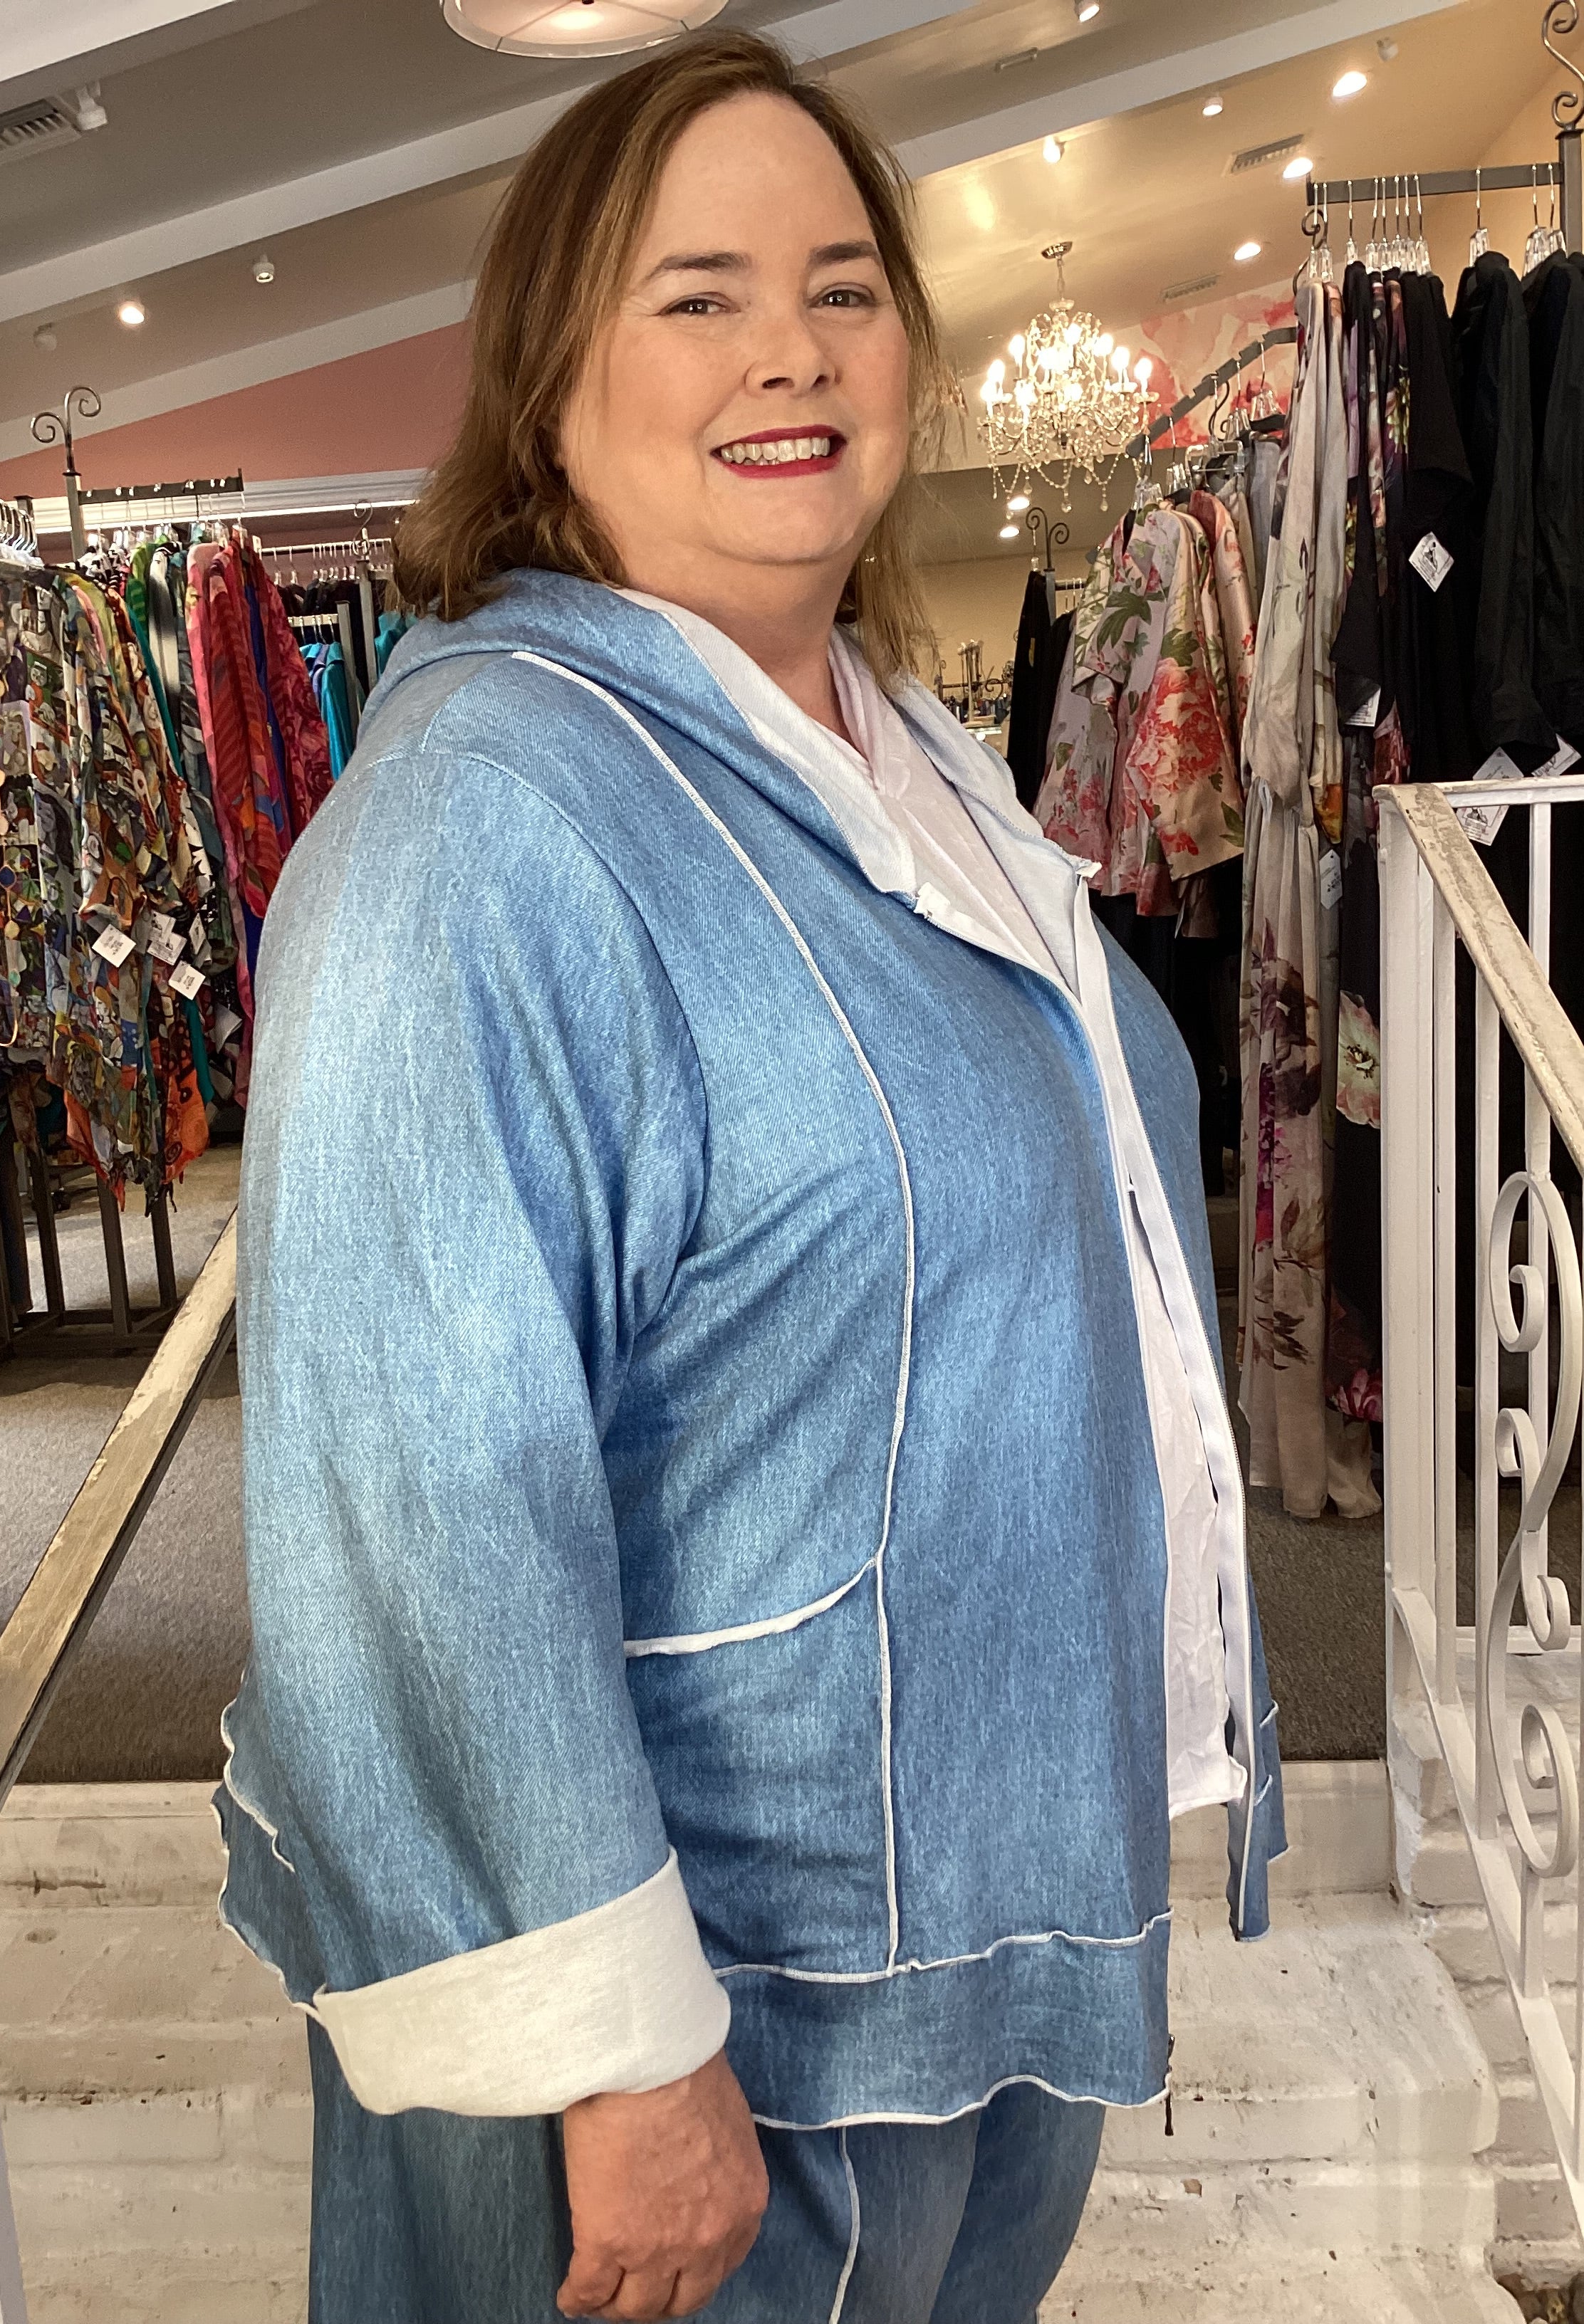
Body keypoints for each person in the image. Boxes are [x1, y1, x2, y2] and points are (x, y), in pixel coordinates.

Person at [216, 28, 1285, 2323]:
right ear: (549, 382)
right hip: (728, 2018)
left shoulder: (893, 759)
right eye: (697, 294)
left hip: (958, 1922)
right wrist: (612, 2048)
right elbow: (419, 1490)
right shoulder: (485, 824)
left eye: (842, 288)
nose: (789, 350)